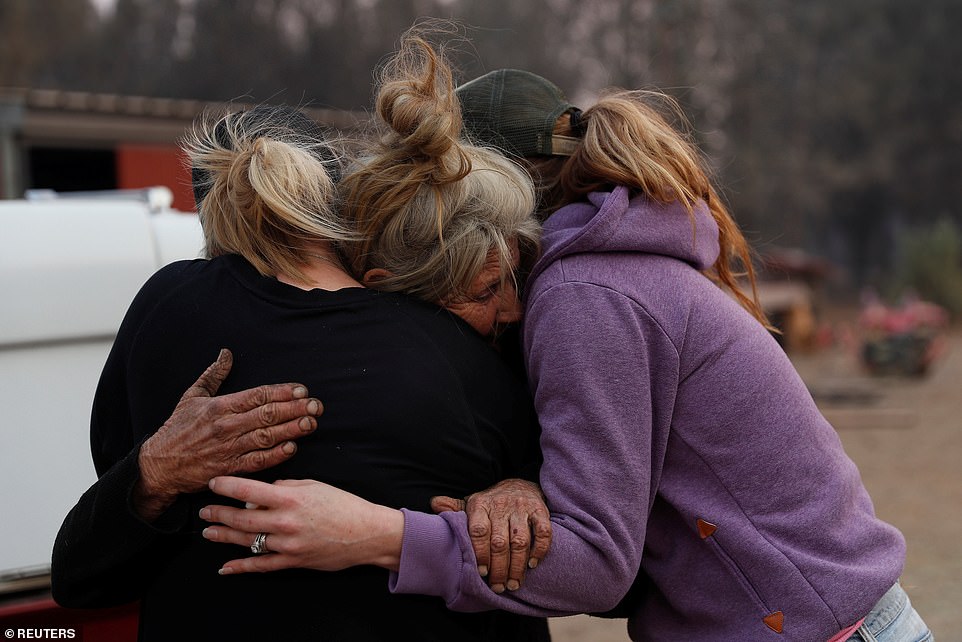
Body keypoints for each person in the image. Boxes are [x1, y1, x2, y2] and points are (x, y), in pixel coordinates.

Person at [199, 69, 933, 642]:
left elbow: (596, 564)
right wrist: (523, 480)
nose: (504, 309)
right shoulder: (604, 271)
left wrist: (376, 535)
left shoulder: (587, 296)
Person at [50, 95, 552, 641]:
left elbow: (82, 575)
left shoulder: (170, 310)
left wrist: (155, 470)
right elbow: (567, 541)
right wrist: (524, 483)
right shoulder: (453, 349)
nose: (510, 310)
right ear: (335, 196)